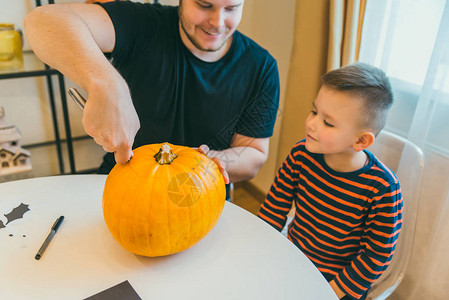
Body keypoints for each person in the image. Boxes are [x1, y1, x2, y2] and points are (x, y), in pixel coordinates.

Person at [24, 0, 280, 195]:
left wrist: (208, 161)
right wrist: (107, 83)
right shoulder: (145, 24)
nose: (217, 22)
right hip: (122, 184)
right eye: (204, 5)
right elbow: (43, 21)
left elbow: (253, 154)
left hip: (197, 194)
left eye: (232, 8)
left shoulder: (261, 67)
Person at [258, 63, 402, 300]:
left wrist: (330, 292)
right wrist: (259, 249)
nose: (311, 123)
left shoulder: (383, 189)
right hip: (293, 261)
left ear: (361, 141)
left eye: (328, 122)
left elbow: (376, 255)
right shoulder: (300, 155)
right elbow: (274, 209)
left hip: (340, 285)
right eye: (314, 112)